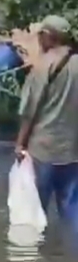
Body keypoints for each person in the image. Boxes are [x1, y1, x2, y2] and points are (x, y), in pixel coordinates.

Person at [15, 15, 78, 222]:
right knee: (72, 214)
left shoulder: (42, 66)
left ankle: (40, 244)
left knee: (34, 215)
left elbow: (29, 112)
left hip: (43, 151)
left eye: (40, 35)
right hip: (73, 152)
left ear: (49, 36)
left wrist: (20, 145)